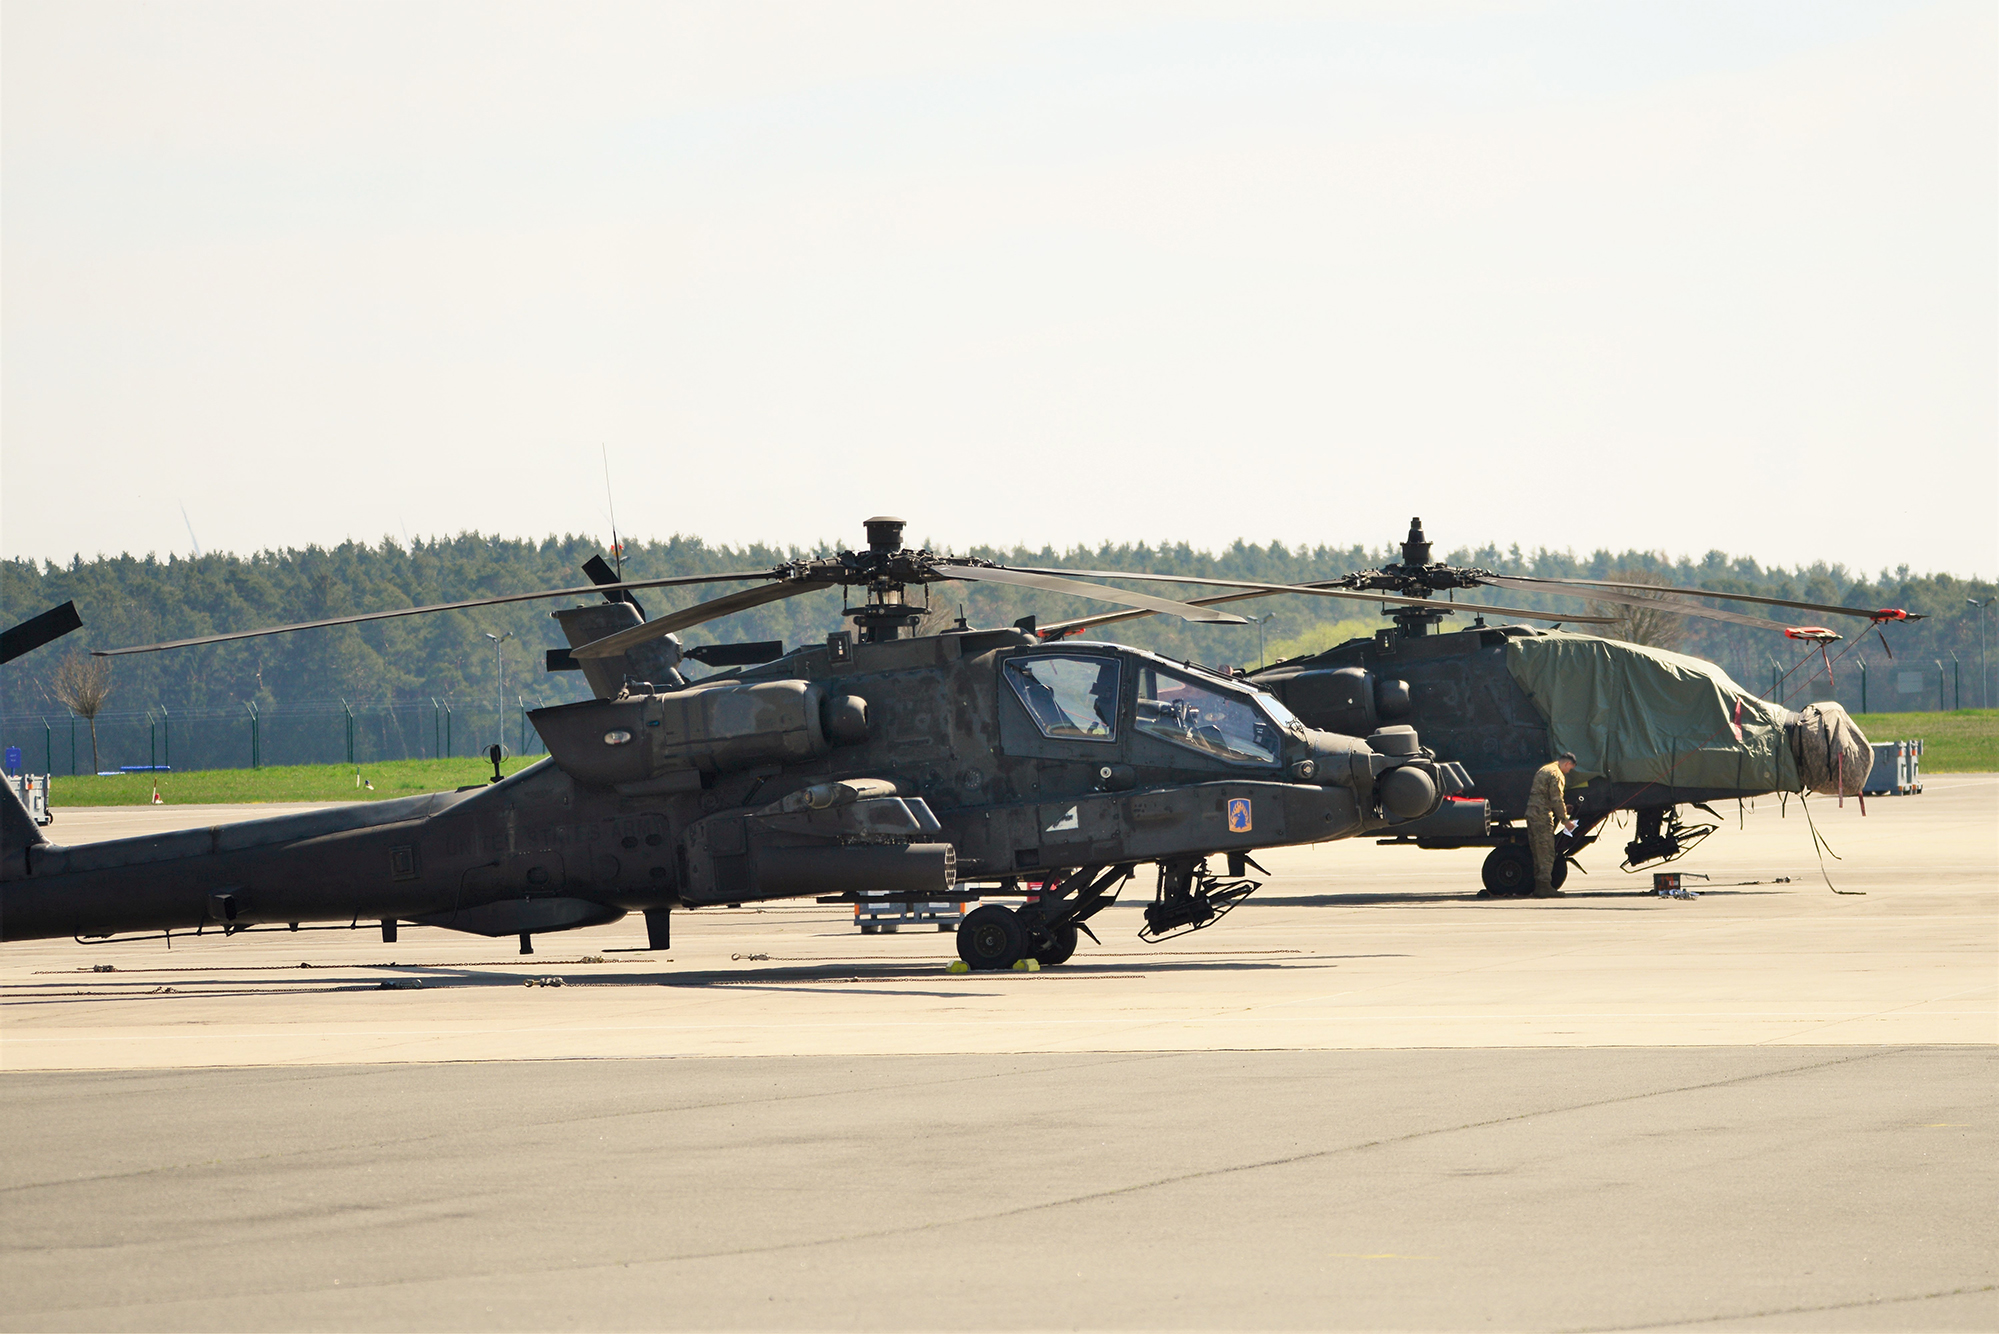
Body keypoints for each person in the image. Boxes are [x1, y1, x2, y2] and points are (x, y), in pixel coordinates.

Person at [1525, 752, 1577, 897]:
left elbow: (1544, 795)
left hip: (1532, 814)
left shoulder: (1544, 769)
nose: (1568, 771)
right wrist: (1565, 820)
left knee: (1537, 850)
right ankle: (1544, 887)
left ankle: (1539, 885)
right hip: (1542, 816)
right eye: (1570, 768)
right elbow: (1556, 799)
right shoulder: (1557, 774)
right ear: (1567, 763)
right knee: (1546, 851)